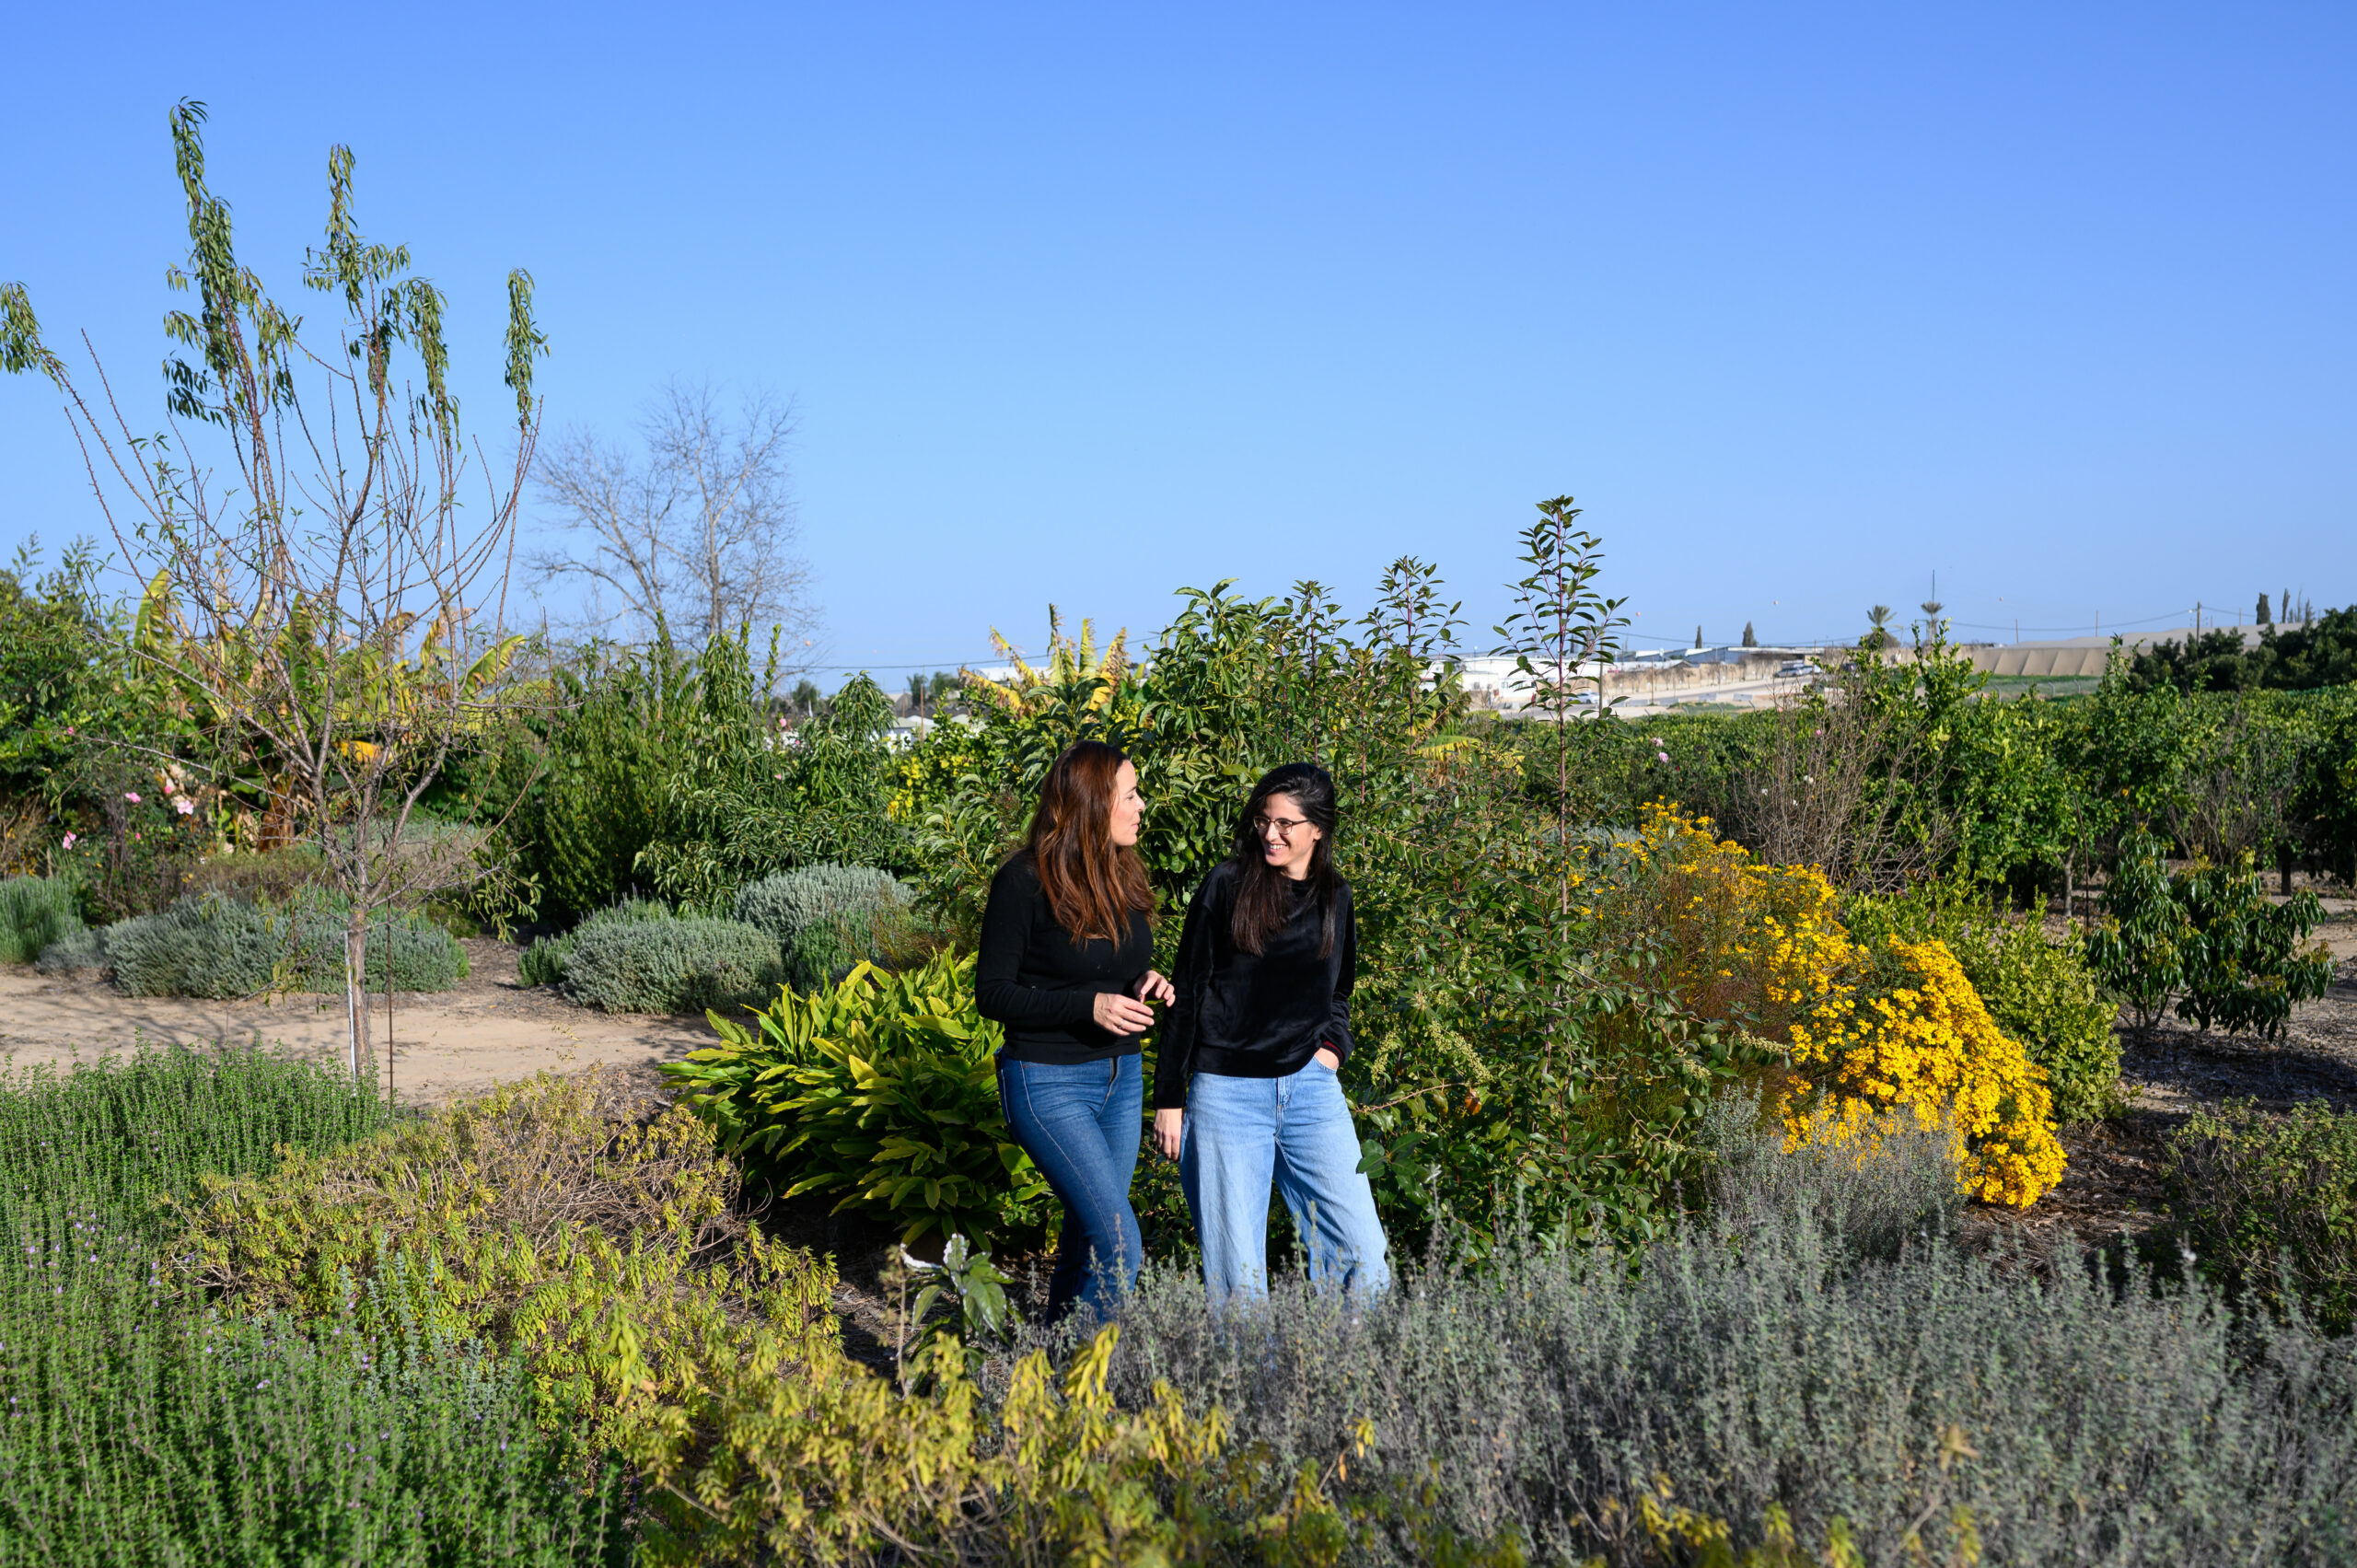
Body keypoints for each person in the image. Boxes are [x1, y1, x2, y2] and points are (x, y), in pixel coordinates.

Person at [1153, 761, 1389, 1301]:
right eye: (1264, 820)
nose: (1270, 834)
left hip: (1311, 1090)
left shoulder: (1336, 896)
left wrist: (1332, 1050)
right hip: (1227, 1096)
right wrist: (1168, 1098)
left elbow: (1339, 993)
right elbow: (1188, 992)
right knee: (1239, 1282)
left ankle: (1347, 1357)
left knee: (1362, 1255)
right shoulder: (1226, 884)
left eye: (1285, 823)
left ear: (1318, 829)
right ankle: (1248, 1365)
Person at [977, 740, 1174, 1323]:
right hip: (1048, 1082)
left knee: (1088, 1241)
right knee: (1120, 1243)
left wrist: (1146, 982)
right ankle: (1088, 1373)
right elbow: (993, 994)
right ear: (1092, 805)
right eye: (1130, 795)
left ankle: (1052, 1363)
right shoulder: (1023, 880)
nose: (1141, 805)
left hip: (1121, 1078)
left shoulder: (1122, 871)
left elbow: (1108, 970)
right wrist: (1088, 1007)